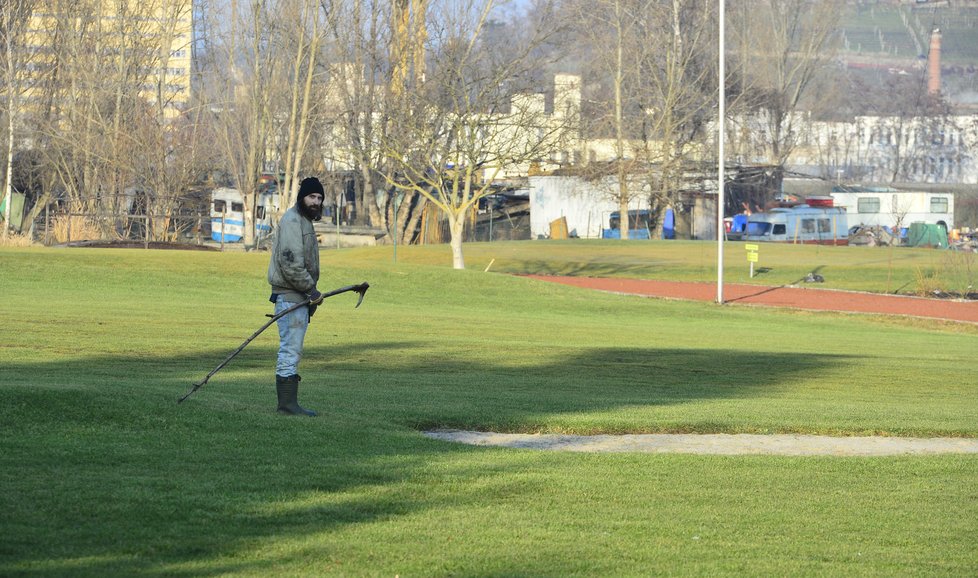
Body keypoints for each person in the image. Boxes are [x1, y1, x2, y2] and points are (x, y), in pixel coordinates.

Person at [267, 177, 326, 416]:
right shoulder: (293, 221)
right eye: (312, 196)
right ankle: (287, 405)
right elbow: (290, 262)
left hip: (298, 296)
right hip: (291, 296)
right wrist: (311, 290)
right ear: (302, 197)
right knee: (290, 350)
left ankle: (289, 403)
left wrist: (309, 294)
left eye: (320, 198)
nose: (316, 202)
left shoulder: (303, 221)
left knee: (292, 349)